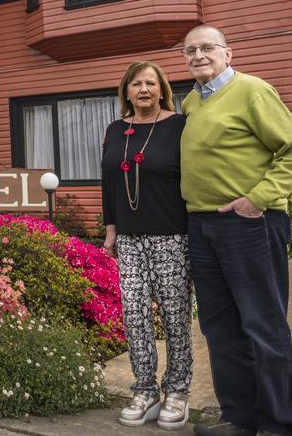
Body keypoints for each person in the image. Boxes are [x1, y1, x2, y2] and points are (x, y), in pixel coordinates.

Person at [179, 25, 292, 436]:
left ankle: (277, 425)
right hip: (202, 226)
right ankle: (239, 418)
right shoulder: (190, 102)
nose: (198, 55)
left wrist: (258, 198)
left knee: (263, 325)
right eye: (190, 50)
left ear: (227, 53)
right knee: (220, 327)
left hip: (248, 224)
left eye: (207, 48)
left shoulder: (252, 90)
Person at [102, 61, 192, 430]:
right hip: (129, 237)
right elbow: (107, 182)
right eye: (136, 84)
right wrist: (111, 230)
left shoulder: (179, 125)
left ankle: (177, 391)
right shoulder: (116, 129)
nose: (143, 90)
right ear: (126, 91)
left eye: (150, 84)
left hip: (172, 234)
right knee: (135, 316)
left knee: (175, 316)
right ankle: (145, 390)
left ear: (162, 89)